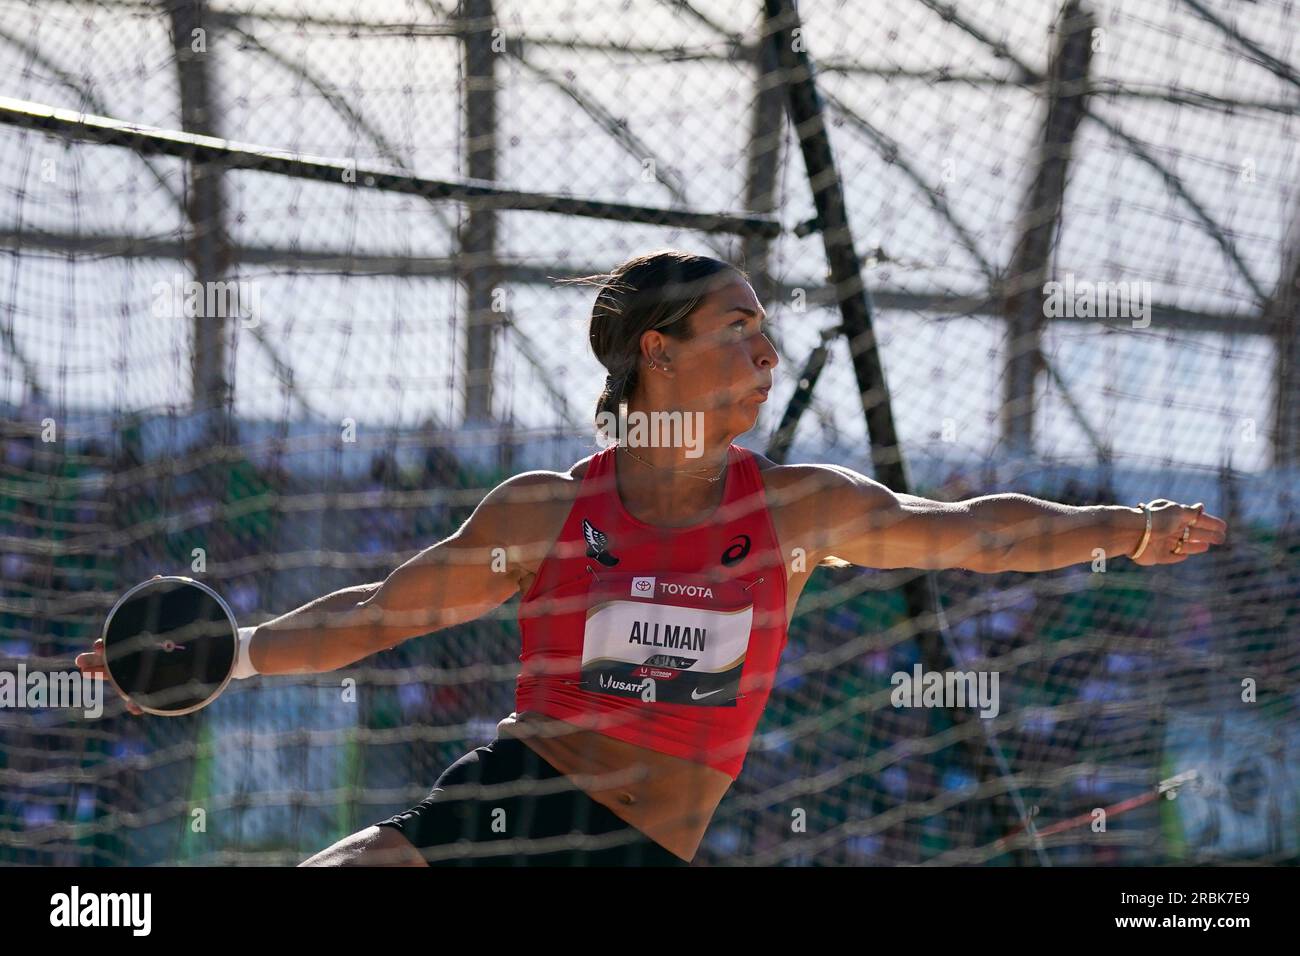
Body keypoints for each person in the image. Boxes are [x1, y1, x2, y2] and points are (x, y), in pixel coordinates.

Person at [77, 248, 1227, 866]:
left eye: (769, 334)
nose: (770, 353)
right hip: (511, 808)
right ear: (658, 355)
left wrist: (1124, 528)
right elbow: (379, 611)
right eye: (742, 330)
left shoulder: (797, 511)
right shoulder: (545, 512)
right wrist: (223, 657)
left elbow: (976, 531)